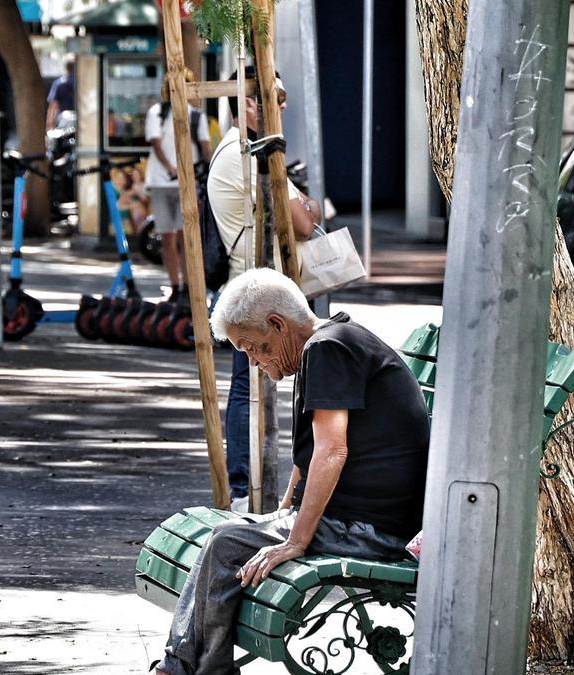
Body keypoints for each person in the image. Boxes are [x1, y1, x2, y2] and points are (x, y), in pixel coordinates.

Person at [154, 267, 430, 675]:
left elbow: (332, 451)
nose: (252, 360)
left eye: (254, 347)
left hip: (373, 530)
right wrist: (284, 513)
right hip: (356, 520)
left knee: (227, 543)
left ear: (277, 324)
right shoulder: (324, 345)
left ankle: (185, 669)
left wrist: (295, 540)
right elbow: (308, 456)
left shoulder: (328, 349)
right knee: (224, 539)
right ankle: (184, 667)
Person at [208, 68, 328, 509]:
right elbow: (304, 218)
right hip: (256, 289)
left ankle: (245, 486)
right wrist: (308, 207)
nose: (283, 107)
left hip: (258, 284)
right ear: (250, 103)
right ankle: (242, 489)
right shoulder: (249, 154)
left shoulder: (249, 152)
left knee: (252, 383)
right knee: (249, 383)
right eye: (276, 98)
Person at [144, 79, 211, 302]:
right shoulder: (158, 113)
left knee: (187, 239)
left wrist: (202, 175)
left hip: (187, 185)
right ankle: (175, 286)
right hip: (162, 182)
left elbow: (205, 148)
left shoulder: (196, 116)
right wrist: (172, 168)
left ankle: (190, 288)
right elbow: (155, 142)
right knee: (167, 238)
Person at [46, 58, 75, 131]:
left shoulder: (59, 83)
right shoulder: (84, 83)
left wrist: (50, 124)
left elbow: (53, 105)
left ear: (66, 68)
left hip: (64, 120)